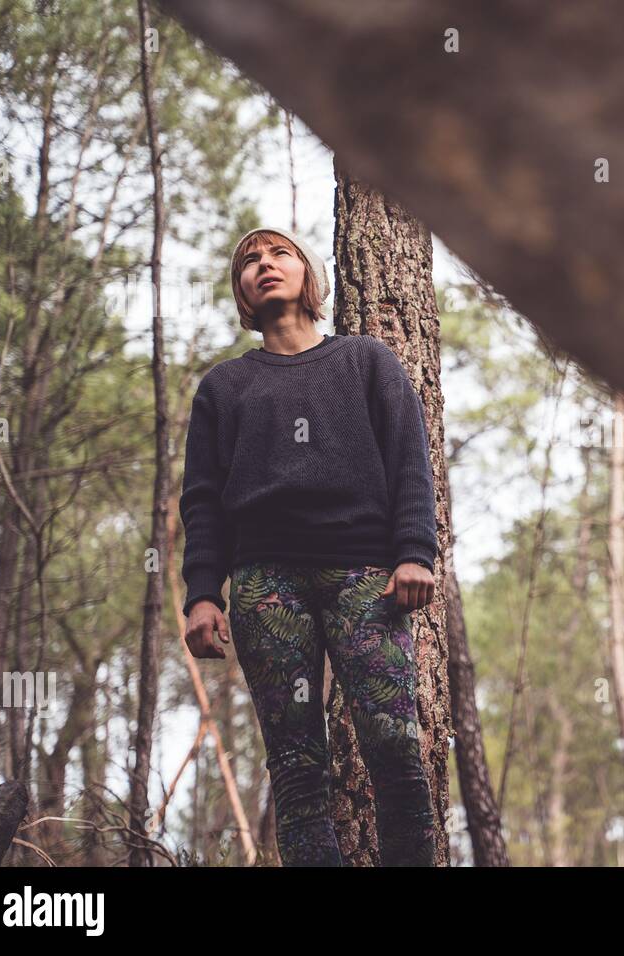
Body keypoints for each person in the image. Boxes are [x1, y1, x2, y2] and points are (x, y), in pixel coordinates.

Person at [178, 226, 439, 866]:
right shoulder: (223, 388)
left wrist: (414, 552)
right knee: (297, 771)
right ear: (241, 290)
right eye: (249, 261)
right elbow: (203, 501)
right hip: (267, 586)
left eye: (279, 254)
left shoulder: (365, 361)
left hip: (366, 575)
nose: (264, 265)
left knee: (398, 751)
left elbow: (410, 458)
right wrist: (202, 596)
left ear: (306, 274)